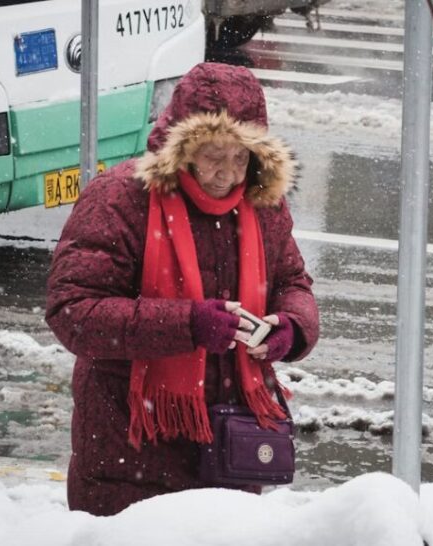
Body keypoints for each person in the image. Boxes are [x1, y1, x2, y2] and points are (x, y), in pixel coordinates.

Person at [45, 62, 319, 516]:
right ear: (182, 146)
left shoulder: (262, 203)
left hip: (231, 452)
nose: (227, 174)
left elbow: (293, 282)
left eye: (241, 157)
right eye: (213, 155)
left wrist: (291, 327)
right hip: (129, 451)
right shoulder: (120, 198)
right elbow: (73, 312)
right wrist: (187, 325)